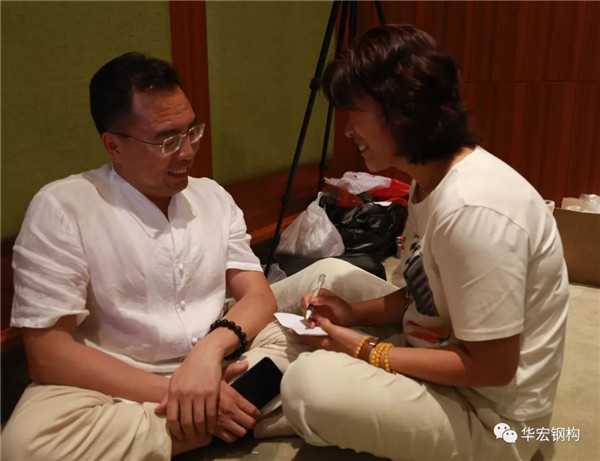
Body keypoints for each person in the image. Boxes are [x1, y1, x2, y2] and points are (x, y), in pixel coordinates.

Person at [279, 25, 570, 461]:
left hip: (492, 419)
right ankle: (229, 332)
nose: (348, 130)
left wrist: (362, 348)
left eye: (353, 113)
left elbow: (493, 366)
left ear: (401, 109)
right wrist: (352, 314)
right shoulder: (429, 181)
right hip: (437, 347)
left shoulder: (474, 210)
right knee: (330, 273)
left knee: (307, 386)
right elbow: (425, 294)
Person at [1, 52, 311, 460]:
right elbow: (48, 355)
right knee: (25, 446)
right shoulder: (63, 207)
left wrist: (208, 353)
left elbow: (257, 295)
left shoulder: (211, 196)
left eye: (192, 131)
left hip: (223, 355)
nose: (187, 151)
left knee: (308, 339)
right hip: (115, 385)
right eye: (167, 140)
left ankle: (202, 420)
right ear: (114, 145)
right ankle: (228, 414)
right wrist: (182, 391)